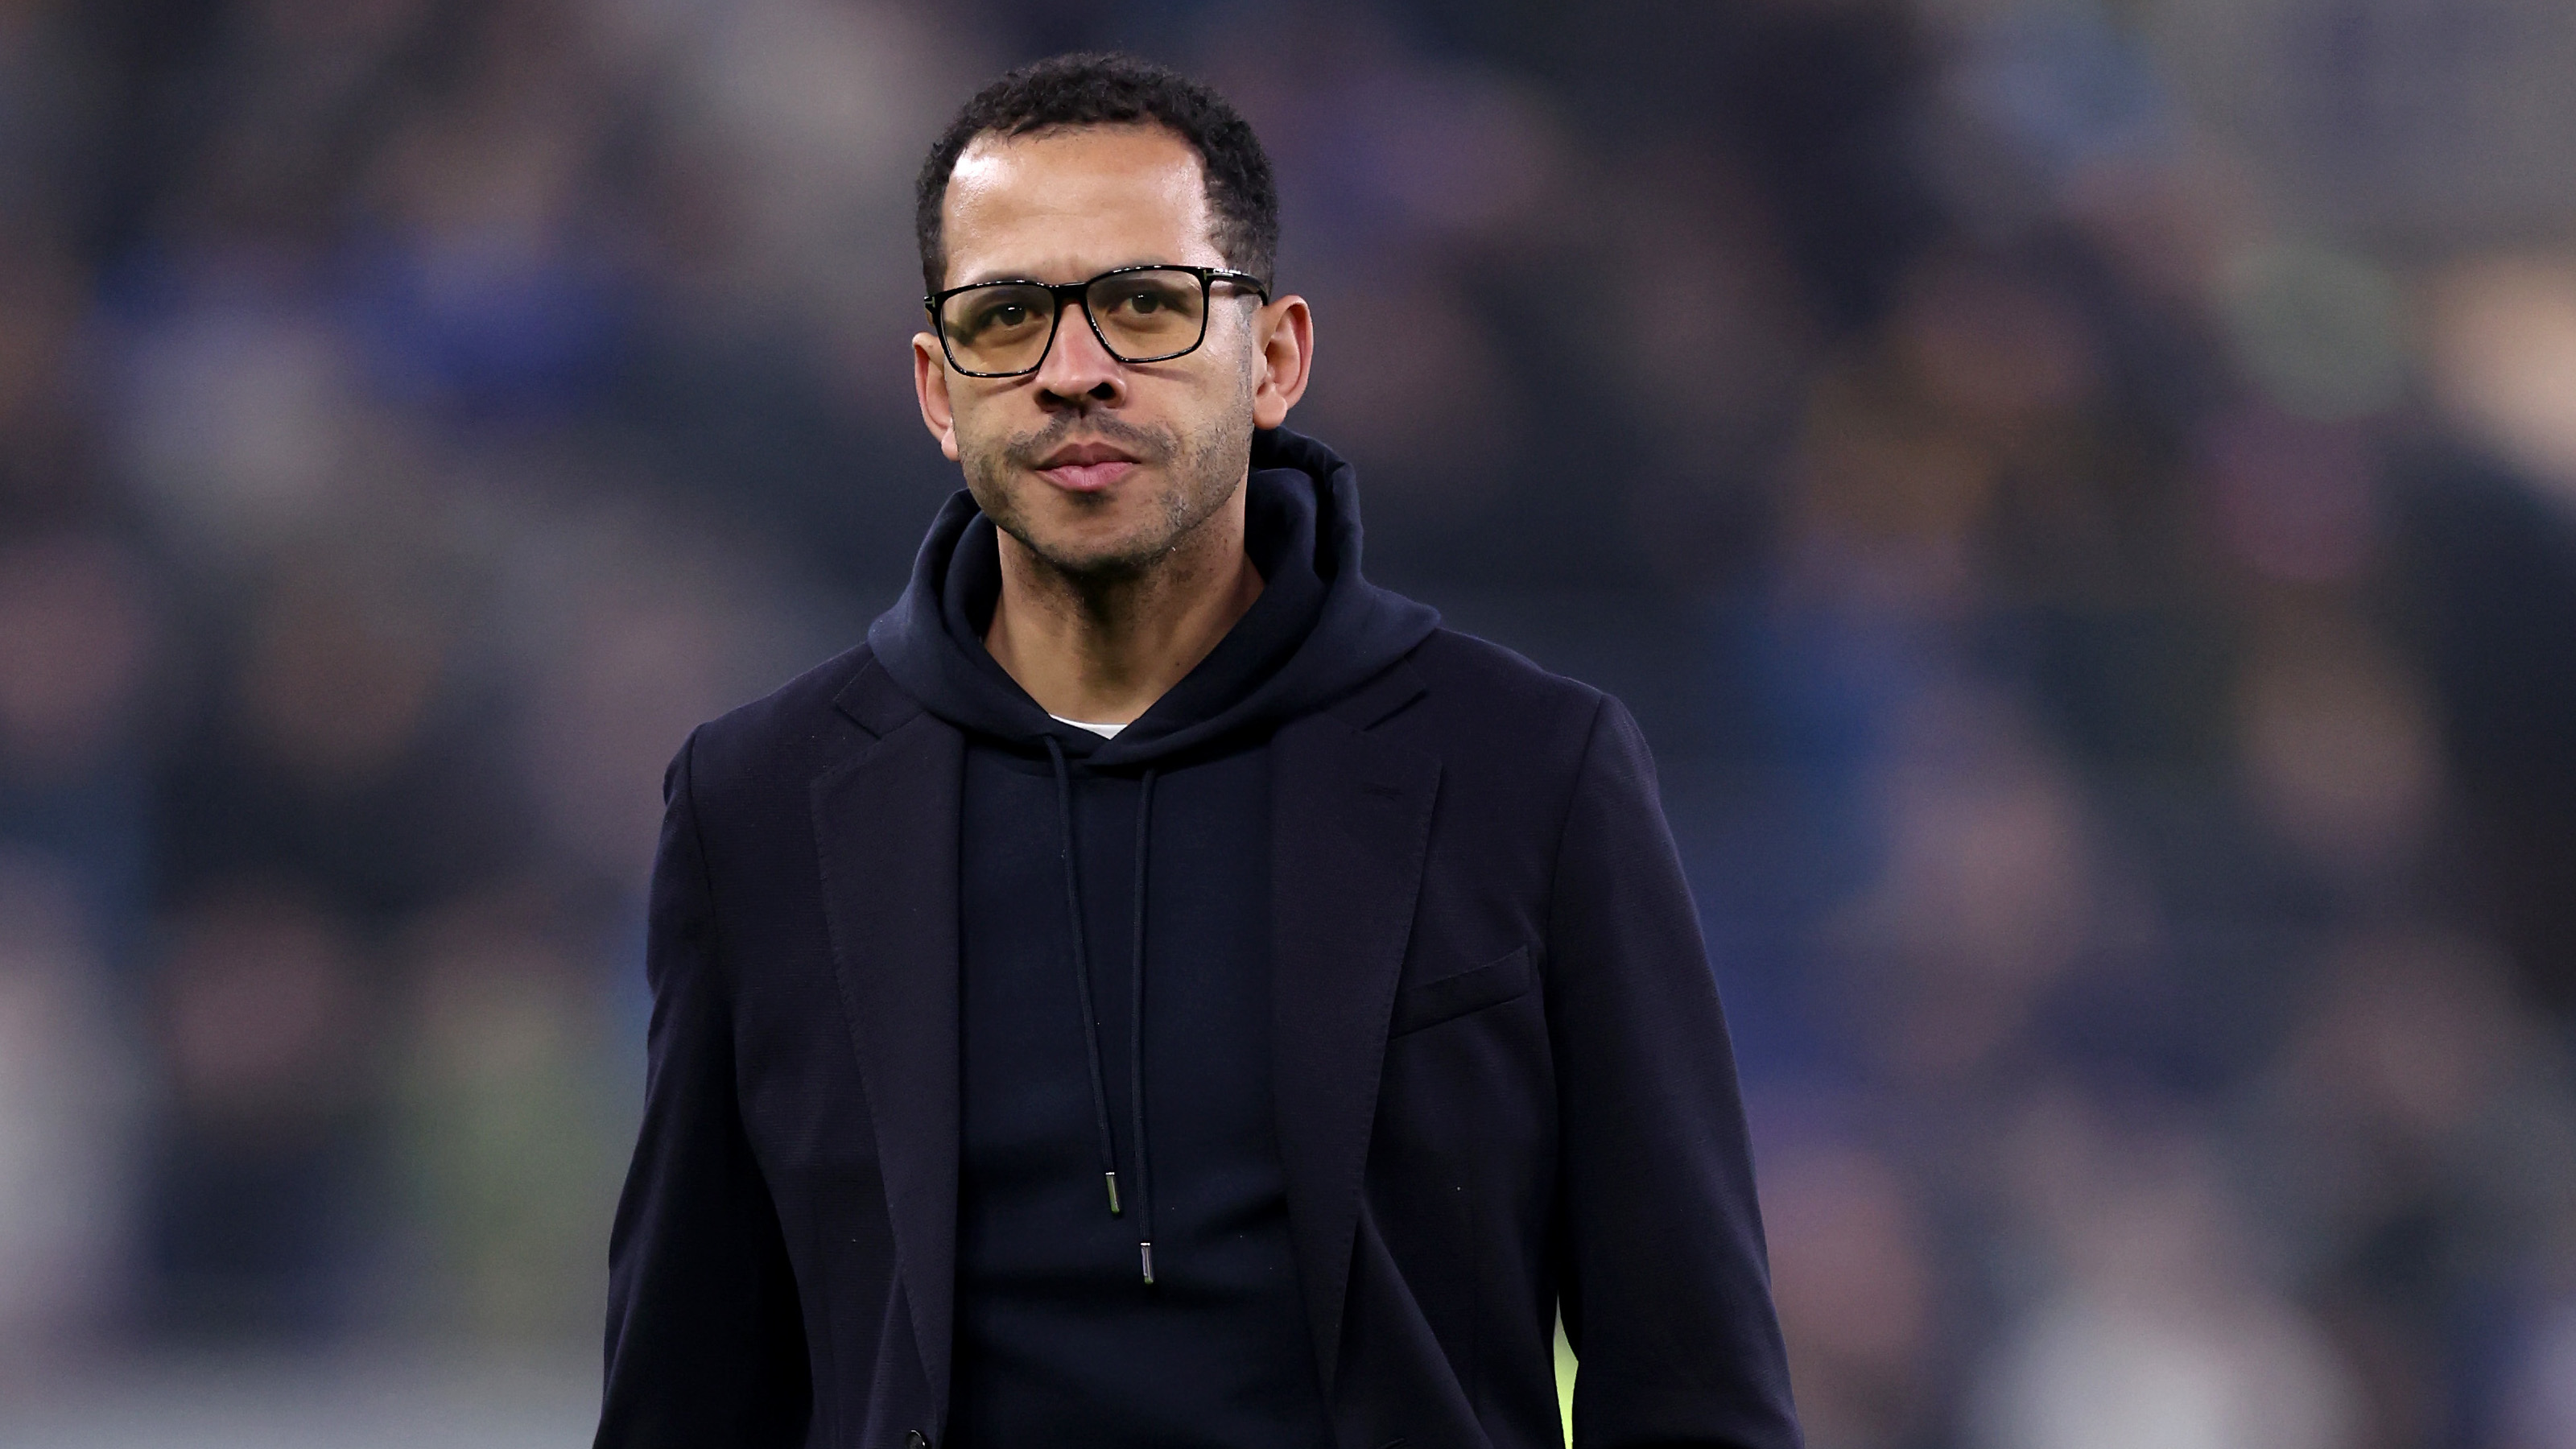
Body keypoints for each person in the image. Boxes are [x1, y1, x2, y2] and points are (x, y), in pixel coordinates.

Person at [594, 52, 1798, 1449]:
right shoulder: (761, 809)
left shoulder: (1531, 772)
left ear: (1276, 355)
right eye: (1005, 319)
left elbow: (1694, 1378)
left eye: (1146, 305)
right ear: (937, 389)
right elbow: (686, 1395)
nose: (1074, 373)